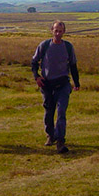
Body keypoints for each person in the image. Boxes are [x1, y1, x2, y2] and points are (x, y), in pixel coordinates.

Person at [31, 20, 80, 154]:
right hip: (47, 84)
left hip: (63, 84)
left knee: (61, 111)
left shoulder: (68, 47)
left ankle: (60, 141)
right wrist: (37, 77)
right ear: (51, 31)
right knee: (49, 111)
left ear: (64, 32)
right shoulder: (44, 45)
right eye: (55, 30)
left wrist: (76, 83)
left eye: (60, 31)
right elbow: (34, 62)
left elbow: (73, 66)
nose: (58, 33)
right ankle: (50, 135)